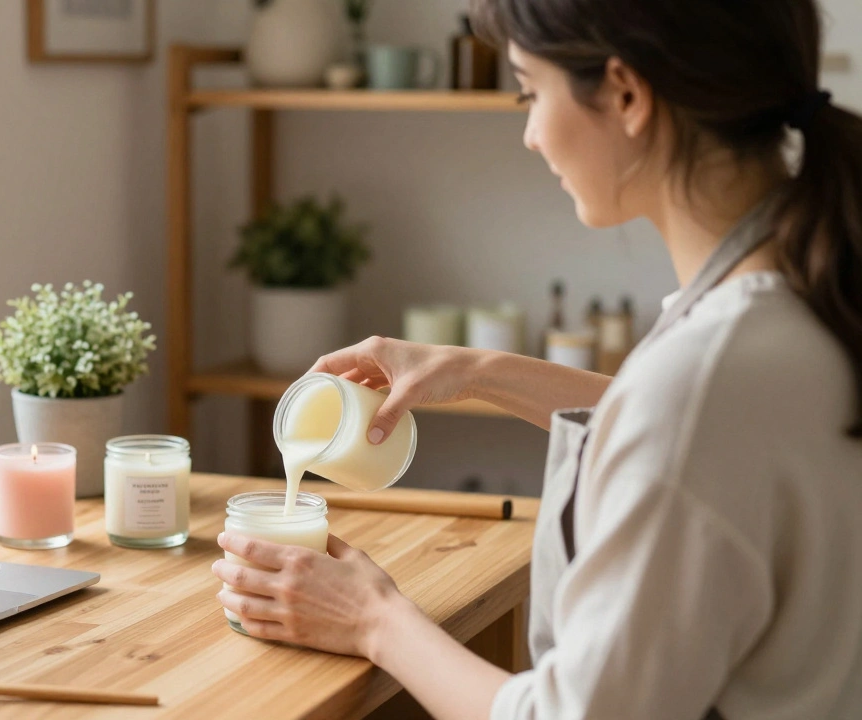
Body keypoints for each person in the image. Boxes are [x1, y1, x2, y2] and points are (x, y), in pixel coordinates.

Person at [211, 1, 862, 718]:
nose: (528, 134)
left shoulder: (702, 381)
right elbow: (694, 433)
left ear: (625, 94)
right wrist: (481, 373)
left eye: (529, 91)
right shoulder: (804, 296)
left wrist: (374, 619)